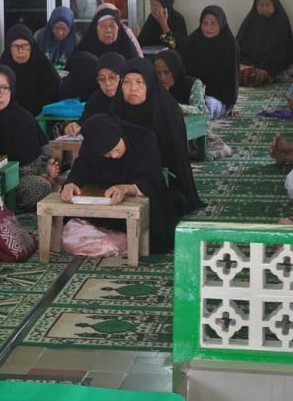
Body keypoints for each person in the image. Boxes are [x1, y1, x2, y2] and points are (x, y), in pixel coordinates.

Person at [61, 113, 179, 253]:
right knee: (71, 234)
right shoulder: (92, 145)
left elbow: (152, 178)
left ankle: (124, 240)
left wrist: (125, 188)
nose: (115, 156)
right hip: (103, 211)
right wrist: (71, 182)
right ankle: (117, 240)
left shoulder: (145, 138)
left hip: (137, 200)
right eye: (108, 155)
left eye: (116, 149)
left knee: (149, 235)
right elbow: (83, 166)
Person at [110, 57, 204, 214]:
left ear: (149, 83)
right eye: (127, 82)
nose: (133, 88)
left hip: (159, 176)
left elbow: (173, 158)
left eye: (139, 82)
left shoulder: (166, 111)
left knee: (172, 204)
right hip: (120, 174)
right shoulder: (116, 109)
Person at [0, 65, 58, 209]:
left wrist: (7, 173)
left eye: (4, 88)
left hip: (15, 182)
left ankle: (1, 205)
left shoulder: (23, 119)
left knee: (40, 186)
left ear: (12, 91)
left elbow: (34, 162)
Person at [183, 5, 239, 119]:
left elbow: (232, 76)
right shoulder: (192, 42)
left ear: (221, 24)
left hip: (216, 97)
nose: (209, 27)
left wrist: (230, 105)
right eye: (205, 23)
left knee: (208, 107)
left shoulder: (229, 44)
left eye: (213, 23)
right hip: (192, 94)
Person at [237, 0, 293, 87]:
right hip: (251, 63)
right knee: (237, 69)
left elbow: (284, 52)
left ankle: (261, 76)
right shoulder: (251, 20)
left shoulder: (281, 20)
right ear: (255, 6)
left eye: (268, 4)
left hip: (273, 65)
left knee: (255, 75)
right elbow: (239, 45)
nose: (264, 8)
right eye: (261, 5)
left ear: (274, 5)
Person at [0, 23, 62, 116]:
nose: (20, 51)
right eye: (15, 46)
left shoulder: (44, 68)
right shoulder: (1, 72)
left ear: (32, 46)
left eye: (25, 45)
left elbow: (56, 99)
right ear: (9, 48)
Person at [64, 52, 126, 136]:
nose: (107, 83)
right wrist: (72, 127)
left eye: (112, 77)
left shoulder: (133, 97)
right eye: (101, 79)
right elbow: (83, 122)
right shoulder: (97, 99)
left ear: (123, 77)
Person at [153, 49, 208, 116]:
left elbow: (201, 110)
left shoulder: (193, 84)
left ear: (175, 69)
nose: (162, 78)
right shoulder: (153, 84)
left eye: (166, 72)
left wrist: (175, 107)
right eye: (158, 73)